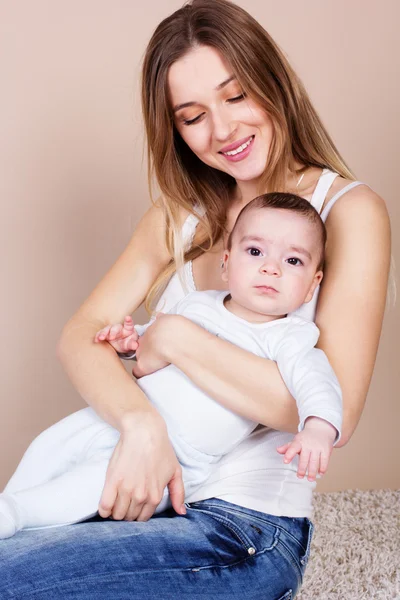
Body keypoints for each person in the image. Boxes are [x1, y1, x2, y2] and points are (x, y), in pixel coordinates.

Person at [0, 0, 390, 598]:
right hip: (146, 496)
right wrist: (141, 425)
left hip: (244, 530)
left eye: (236, 97)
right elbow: (80, 335)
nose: (224, 130)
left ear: (273, 82)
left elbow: (331, 406)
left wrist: (178, 338)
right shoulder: (180, 218)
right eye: (192, 116)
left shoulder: (349, 212)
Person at [0, 194, 342, 539]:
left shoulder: (291, 337)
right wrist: (129, 343)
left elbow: (319, 384)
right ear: (226, 263)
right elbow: (153, 343)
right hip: (123, 416)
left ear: (313, 284)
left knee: (91, 487)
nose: (272, 267)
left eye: (294, 260)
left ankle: (18, 513)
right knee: (51, 445)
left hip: (177, 457)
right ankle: (8, 502)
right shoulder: (198, 304)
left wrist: (318, 429)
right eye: (255, 252)